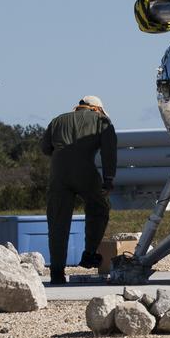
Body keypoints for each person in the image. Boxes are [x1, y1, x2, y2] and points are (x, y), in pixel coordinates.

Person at [41, 96, 117, 284]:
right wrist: (108, 180)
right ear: (97, 109)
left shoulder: (58, 120)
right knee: (99, 208)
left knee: (57, 222)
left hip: (58, 174)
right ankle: (89, 254)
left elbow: (44, 148)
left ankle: (57, 273)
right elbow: (109, 151)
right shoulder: (102, 121)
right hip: (85, 171)